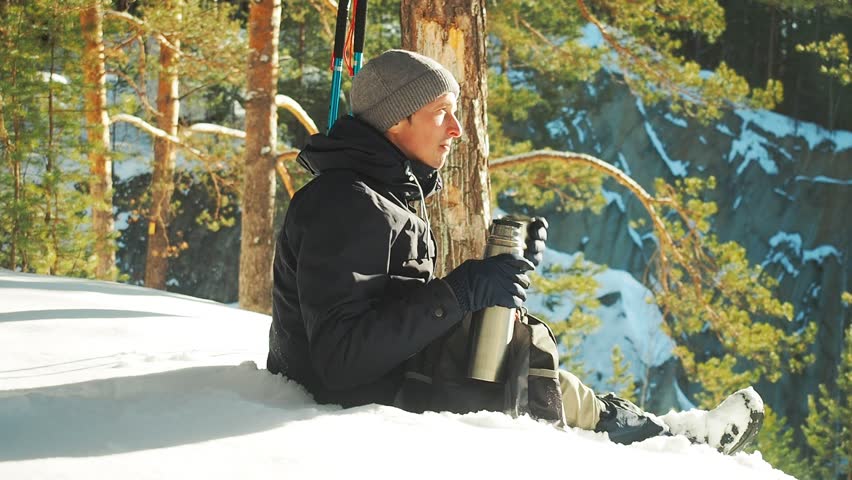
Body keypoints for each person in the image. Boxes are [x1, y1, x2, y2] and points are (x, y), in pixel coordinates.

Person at [267, 49, 764, 455]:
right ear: (397, 121)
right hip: (346, 400)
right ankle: (665, 444)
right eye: (442, 112)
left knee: (514, 350)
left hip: (379, 380)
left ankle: (657, 434)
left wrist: (499, 269)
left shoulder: (379, 194)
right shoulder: (346, 203)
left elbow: (385, 311)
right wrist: (465, 290)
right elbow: (340, 361)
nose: (457, 129)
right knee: (519, 367)